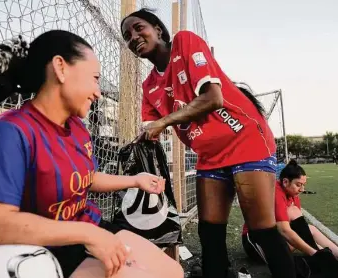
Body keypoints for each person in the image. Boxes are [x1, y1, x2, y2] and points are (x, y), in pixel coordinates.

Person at [121, 9, 296, 278]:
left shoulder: (185, 41)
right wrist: (144, 138)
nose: (133, 37)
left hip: (246, 141)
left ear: (157, 28)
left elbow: (213, 98)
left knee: (262, 231)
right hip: (210, 154)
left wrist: (163, 121)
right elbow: (152, 129)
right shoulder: (149, 87)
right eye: (127, 36)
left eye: (138, 28)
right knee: (209, 233)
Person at [0, 31, 183, 278]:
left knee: (173, 272)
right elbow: (1, 225)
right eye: (95, 78)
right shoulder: (13, 131)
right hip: (48, 249)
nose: (98, 92)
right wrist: (87, 234)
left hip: (89, 227)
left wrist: (136, 180)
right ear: (61, 68)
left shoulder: (78, 128)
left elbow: (88, 177)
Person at [242, 160, 338, 268]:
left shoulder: (292, 193)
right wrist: (315, 254)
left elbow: (300, 229)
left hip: (273, 241)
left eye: (303, 185)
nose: (302, 189)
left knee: (310, 229)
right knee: (293, 213)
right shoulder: (276, 192)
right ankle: (321, 257)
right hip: (257, 246)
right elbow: (284, 231)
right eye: (299, 185)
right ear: (285, 181)